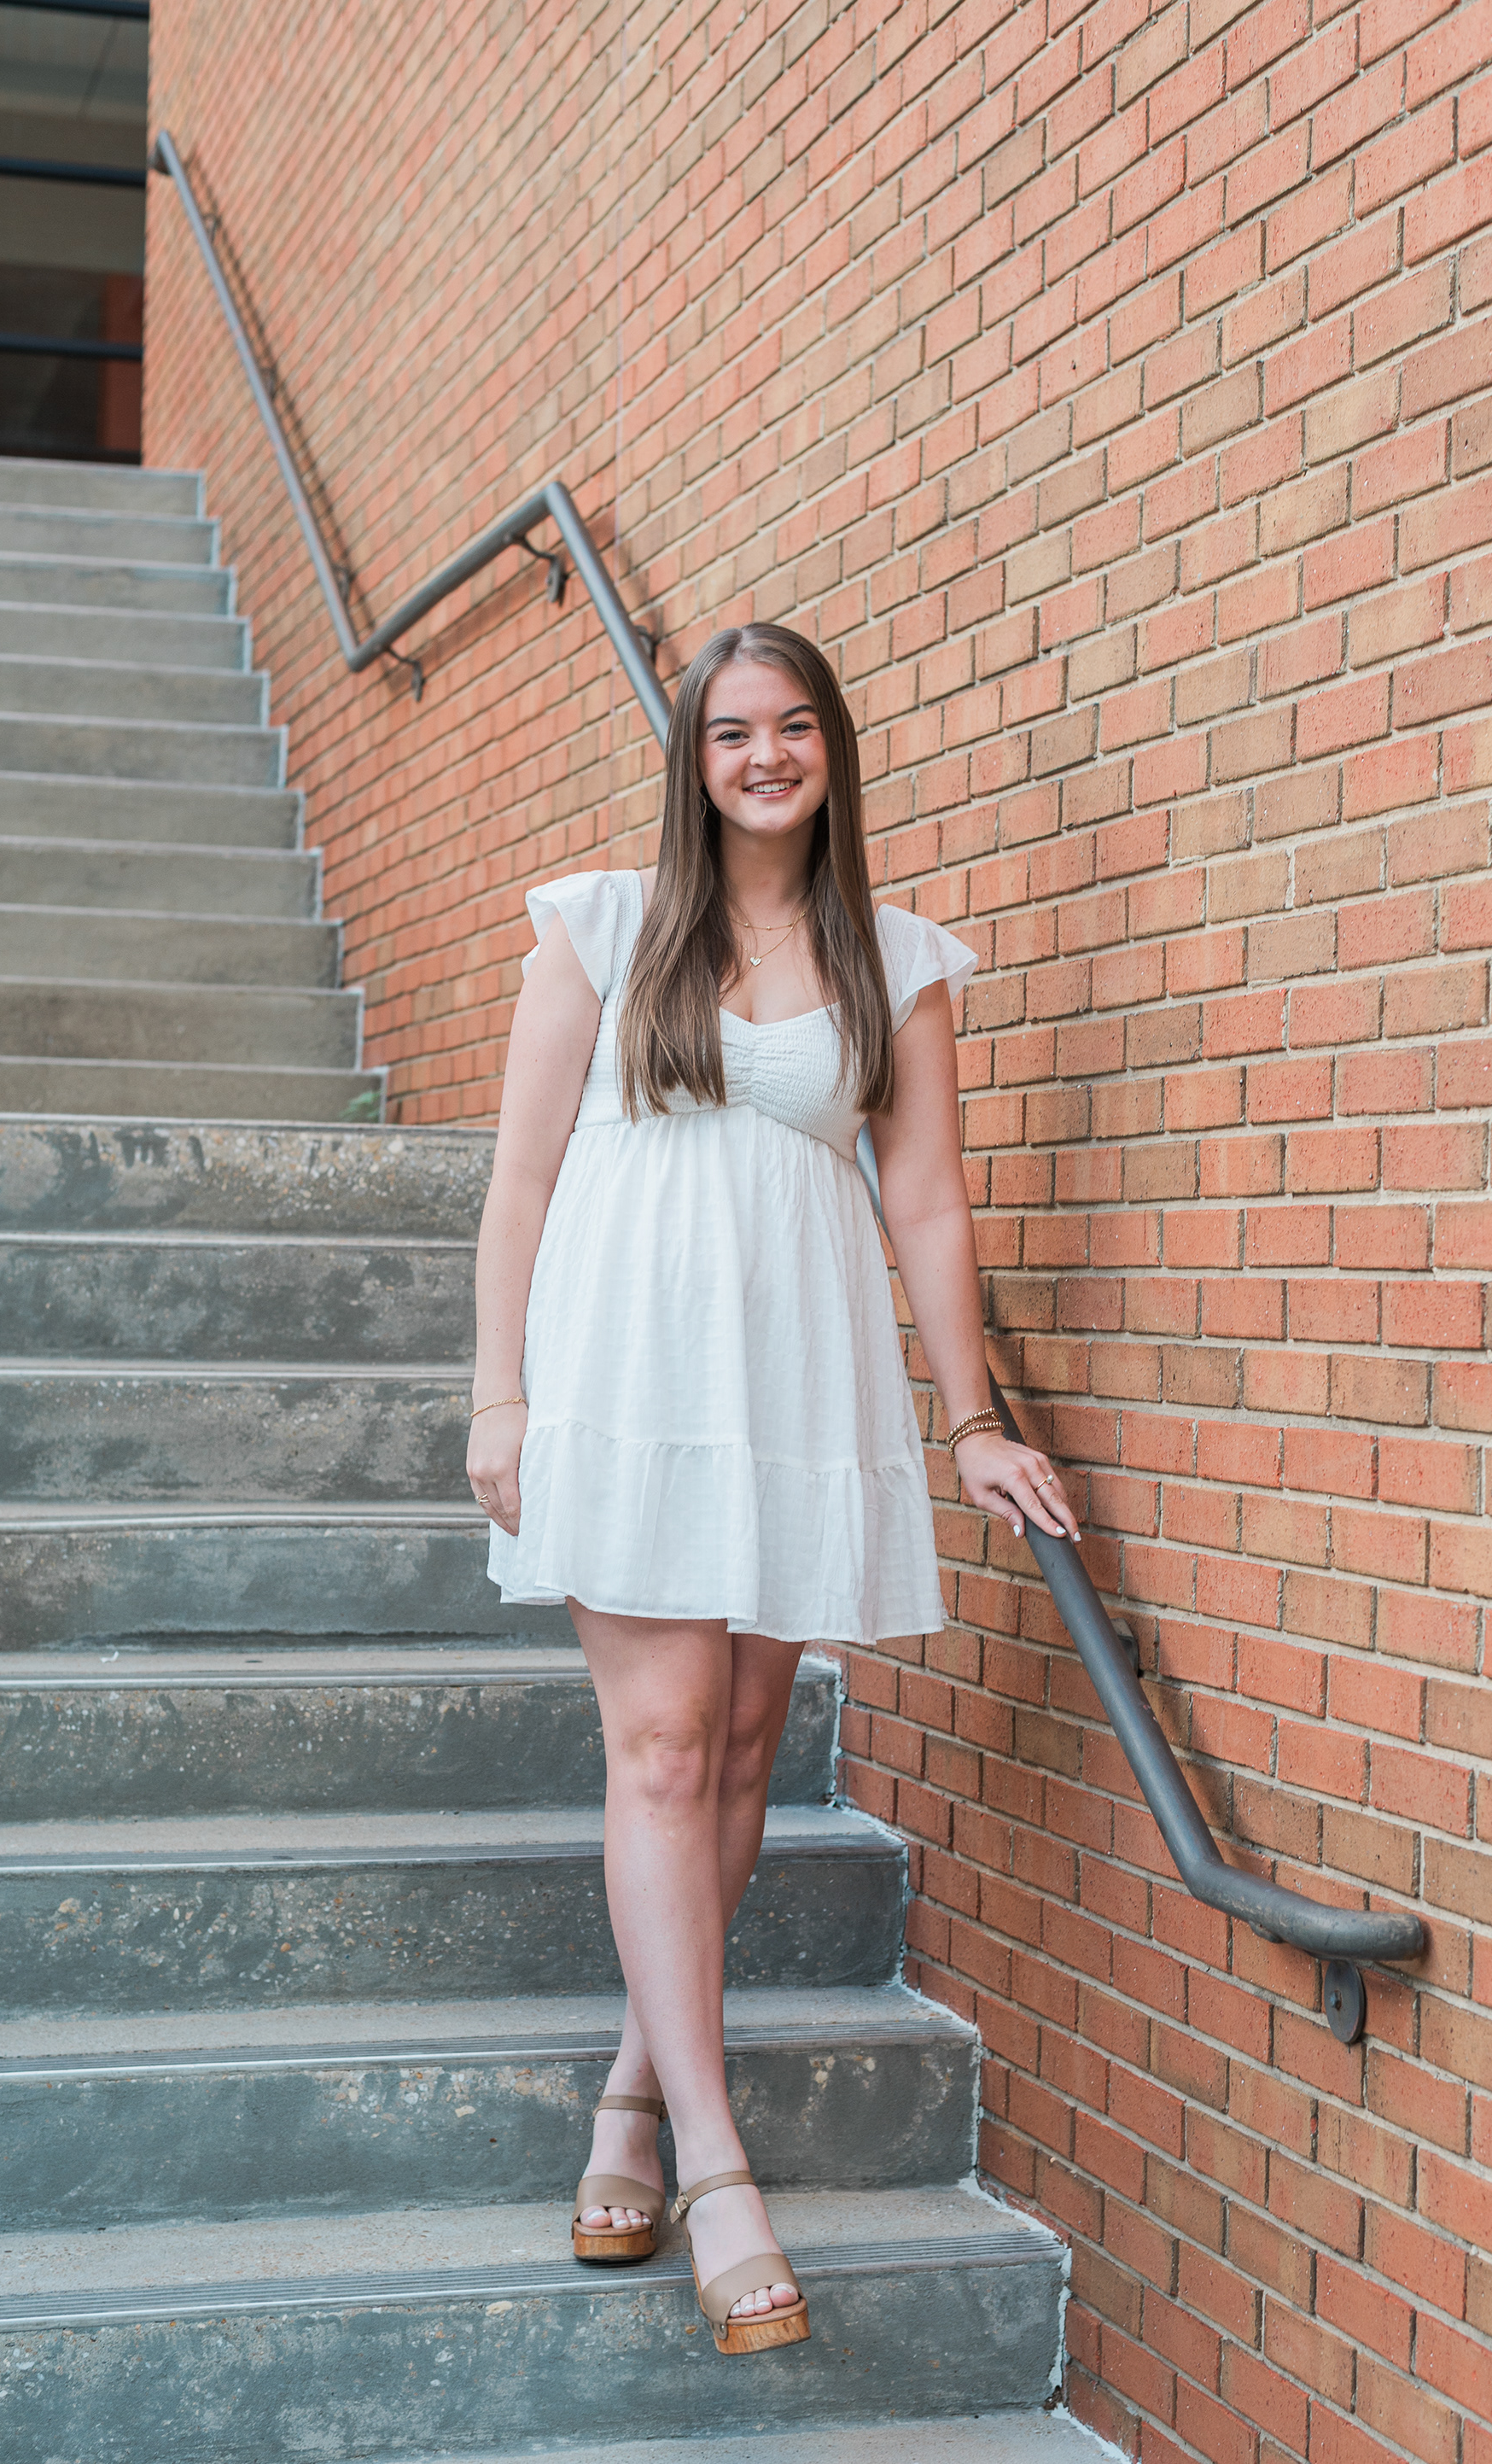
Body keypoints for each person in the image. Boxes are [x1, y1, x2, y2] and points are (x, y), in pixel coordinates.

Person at [465, 621, 1081, 2358]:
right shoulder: (601, 926)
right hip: (625, 1383)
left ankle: (631, 2095)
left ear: (832, 751)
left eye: (794, 726)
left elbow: (929, 1202)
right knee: (665, 1748)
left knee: (741, 1749)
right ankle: (719, 2170)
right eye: (733, 730)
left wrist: (973, 1418)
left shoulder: (897, 961)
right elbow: (518, 1180)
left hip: (794, 1382)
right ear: (695, 756)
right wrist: (499, 1393)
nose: (764, 756)